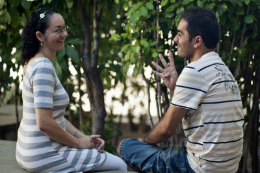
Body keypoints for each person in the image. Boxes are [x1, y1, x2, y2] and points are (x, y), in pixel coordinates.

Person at [117, 7, 244, 173]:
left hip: (200, 168)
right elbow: (197, 114)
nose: (175, 39)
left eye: (180, 34)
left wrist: (142, 141)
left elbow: (167, 130)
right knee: (180, 146)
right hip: (226, 166)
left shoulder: (195, 71)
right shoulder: (222, 69)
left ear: (197, 41)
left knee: (126, 146)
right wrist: (176, 89)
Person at [16, 8, 127, 173]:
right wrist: (78, 144)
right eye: (57, 31)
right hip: (44, 153)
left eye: (64, 28)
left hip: (29, 150)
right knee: (120, 165)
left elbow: (54, 116)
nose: (64, 34)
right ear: (40, 36)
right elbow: (44, 123)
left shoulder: (33, 62)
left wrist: (82, 137)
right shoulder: (43, 67)